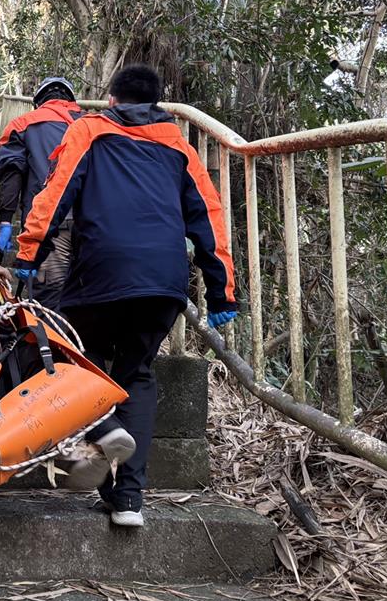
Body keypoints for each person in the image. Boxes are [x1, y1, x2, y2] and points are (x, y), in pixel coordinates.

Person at [12, 64, 238, 528]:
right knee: (136, 373)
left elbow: (55, 194)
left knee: (73, 359)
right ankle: (127, 499)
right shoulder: (180, 145)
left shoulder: (89, 129)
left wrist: (30, 253)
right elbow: (209, 218)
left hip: (102, 270)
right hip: (164, 279)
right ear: (156, 104)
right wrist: (221, 294)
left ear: (112, 99)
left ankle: (101, 432)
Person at [0, 76, 82, 308]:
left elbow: (12, 176)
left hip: (48, 229)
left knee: (49, 305)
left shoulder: (22, 124)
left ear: (38, 101)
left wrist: (5, 222)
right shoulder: (93, 124)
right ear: (71, 100)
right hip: (95, 229)